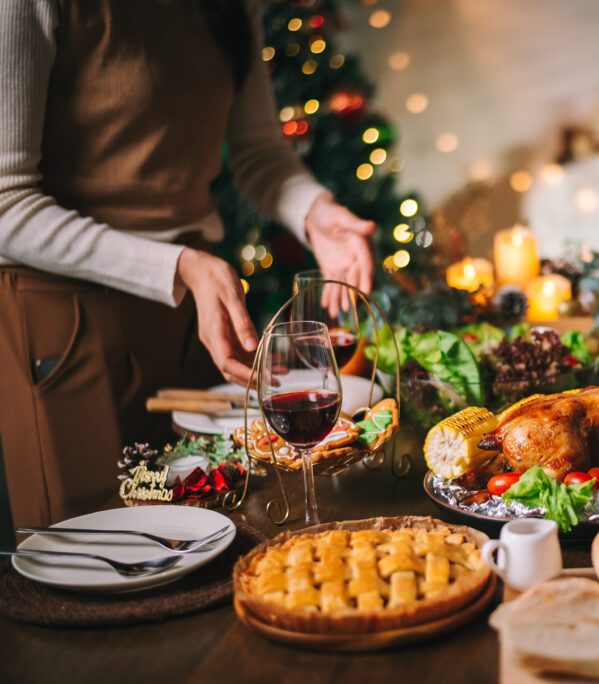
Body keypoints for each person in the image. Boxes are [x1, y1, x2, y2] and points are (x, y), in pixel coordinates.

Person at [0, 0, 376, 527]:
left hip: (191, 315)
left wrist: (315, 213)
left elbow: (259, 151)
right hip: (66, 327)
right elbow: (6, 202)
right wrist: (177, 266)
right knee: (103, 551)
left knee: (214, 534)